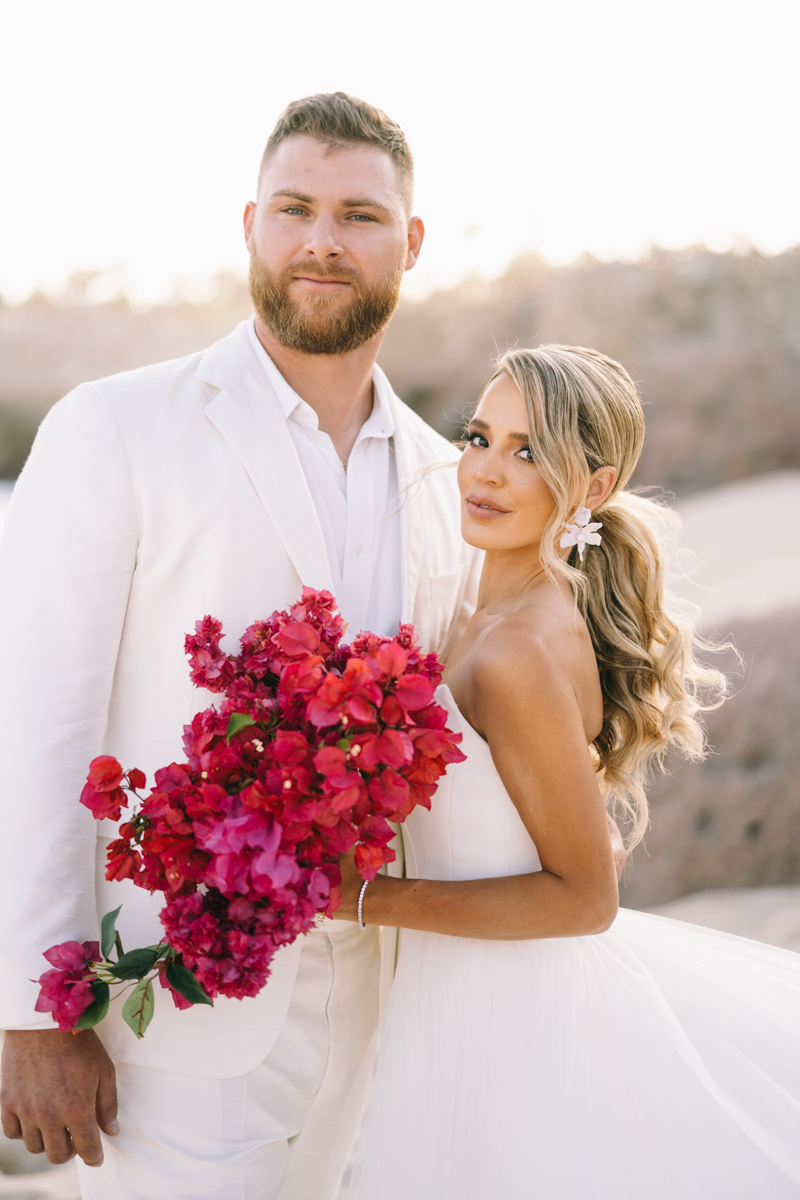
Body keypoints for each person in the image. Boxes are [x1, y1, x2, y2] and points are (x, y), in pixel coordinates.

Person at [0, 92, 489, 1200]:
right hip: (167, 1012)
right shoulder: (113, 426)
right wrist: (33, 1006)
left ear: (409, 244)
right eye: (295, 208)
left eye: (360, 215)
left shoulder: (437, 476)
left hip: (375, 1007)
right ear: (249, 226)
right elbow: (35, 723)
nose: (323, 239)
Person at [332, 345, 800, 1199]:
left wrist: (359, 899)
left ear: (590, 485)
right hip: (465, 986)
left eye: (528, 451)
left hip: (520, 1011)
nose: (486, 471)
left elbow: (586, 898)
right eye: (480, 437)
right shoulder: (481, 611)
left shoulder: (515, 646)